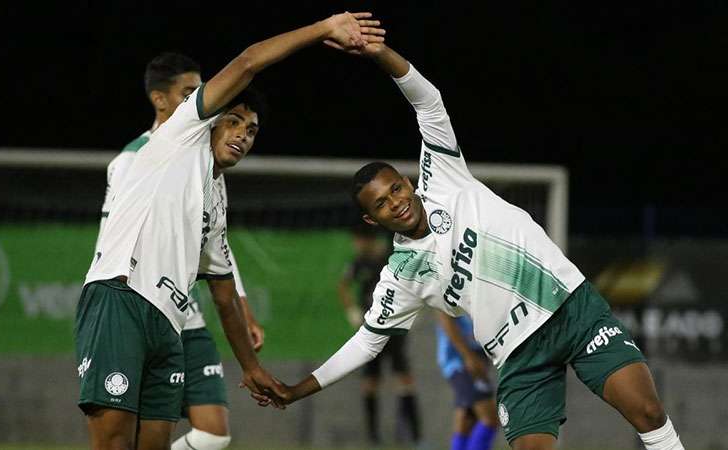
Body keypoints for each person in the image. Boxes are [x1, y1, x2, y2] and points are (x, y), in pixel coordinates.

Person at [263, 42, 686, 450]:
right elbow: (366, 342)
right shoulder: (400, 275)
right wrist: (299, 388)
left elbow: (428, 101)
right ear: (372, 220)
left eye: (396, 188)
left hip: (571, 309)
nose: (396, 201)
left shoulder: (444, 176)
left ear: (407, 181)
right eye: (382, 204)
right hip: (519, 357)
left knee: (647, 411)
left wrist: (379, 54)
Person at [76, 13, 385, 450]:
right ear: (210, 119)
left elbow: (222, 291)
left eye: (252, 130)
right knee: (113, 442)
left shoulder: (216, 198)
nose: (242, 135)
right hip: (121, 299)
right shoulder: (180, 135)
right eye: (234, 121)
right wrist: (323, 29)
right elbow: (248, 62)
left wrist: (252, 368)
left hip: (169, 322)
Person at [96, 51, 265, 450]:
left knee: (213, 433)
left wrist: (243, 305)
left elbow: (214, 242)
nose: (199, 99)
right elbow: (113, 237)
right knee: (125, 432)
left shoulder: (207, 159)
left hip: (181, 311)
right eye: (190, 92)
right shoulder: (136, 158)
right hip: (134, 304)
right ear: (160, 99)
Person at [338, 223, 421, 445]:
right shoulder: (357, 262)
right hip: (371, 330)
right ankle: (373, 437)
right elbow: (343, 286)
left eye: (358, 239)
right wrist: (352, 311)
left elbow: (409, 284)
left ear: (368, 239)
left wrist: (411, 310)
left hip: (394, 328)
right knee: (370, 382)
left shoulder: (388, 259)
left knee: (405, 380)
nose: (356, 244)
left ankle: (414, 436)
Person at [436, 312, 498, 450]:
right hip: (461, 362)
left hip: (474, 358)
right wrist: (469, 356)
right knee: (490, 418)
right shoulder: (448, 291)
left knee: (467, 420)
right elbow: (444, 318)